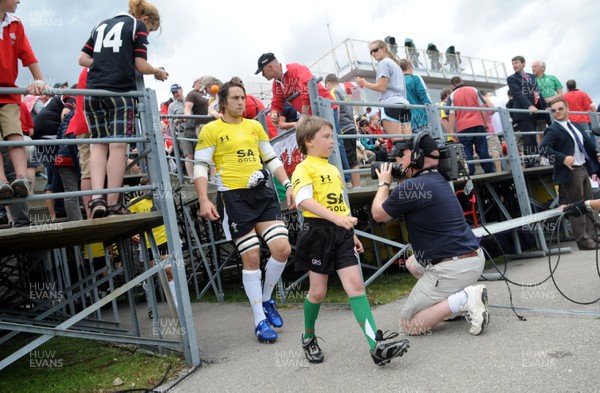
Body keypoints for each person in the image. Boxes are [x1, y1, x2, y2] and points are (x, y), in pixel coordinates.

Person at [292, 115, 409, 365]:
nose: (332, 141)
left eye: (331, 136)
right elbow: (303, 201)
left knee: (356, 287)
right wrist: (336, 219)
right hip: (318, 233)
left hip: (341, 231)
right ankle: (308, 337)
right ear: (308, 141)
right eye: (326, 137)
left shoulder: (333, 169)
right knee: (318, 292)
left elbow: (339, 204)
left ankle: (375, 346)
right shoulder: (304, 168)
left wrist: (350, 231)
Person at [193, 79, 295, 343]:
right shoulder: (211, 130)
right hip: (234, 199)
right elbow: (201, 167)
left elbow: (271, 158)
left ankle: (267, 298)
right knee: (250, 257)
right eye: (235, 98)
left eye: (243, 97)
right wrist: (204, 199)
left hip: (263, 194)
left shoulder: (255, 126)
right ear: (223, 102)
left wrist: (288, 184)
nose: (241, 102)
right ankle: (259, 320)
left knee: (282, 249)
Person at [371, 132, 490, 336]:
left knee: (410, 326)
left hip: (452, 268)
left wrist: (384, 183)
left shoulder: (412, 186)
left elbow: (378, 214)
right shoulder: (437, 179)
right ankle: (454, 303)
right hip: (472, 259)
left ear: (416, 156)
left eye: (403, 154)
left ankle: (463, 299)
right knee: (412, 263)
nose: (399, 160)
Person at [78, 0, 168, 218]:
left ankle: (97, 199)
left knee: (97, 146)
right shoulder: (137, 27)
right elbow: (140, 65)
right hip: (120, 93)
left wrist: (105, 63)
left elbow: (82, 59)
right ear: (146, 20)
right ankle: (113, 204)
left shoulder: (101, 25)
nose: (149, 32)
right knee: (118, 147)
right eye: (151, 29)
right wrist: (158, 71)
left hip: (93, 93)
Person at [256, 52, 352, 184]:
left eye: (262, 71)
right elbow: (276, 103)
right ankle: (330, 177)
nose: (262, 75)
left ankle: (345, 179)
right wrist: (274, 113)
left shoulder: (295, 69)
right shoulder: (277, 84)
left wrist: (304, 115)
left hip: (325, 108)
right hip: (312, 114)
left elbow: (306, 87)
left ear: (270, 67)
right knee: (318, 144)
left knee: (333, 141)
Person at [540, 98, 600, 250]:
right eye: (554, 110)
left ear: (567, 108)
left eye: (560, 108)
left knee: (588, 204)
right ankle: (583, 240)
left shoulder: (574, 125)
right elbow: (543, 149)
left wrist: (596, 155)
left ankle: (592, 236)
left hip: (584, 168)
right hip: (570, 171)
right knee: (576, 206)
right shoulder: (552, 129)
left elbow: (587, 144)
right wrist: (563, 159)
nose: (557, 112)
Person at [0, 0, 46, 199]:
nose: (19, 1)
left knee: (14, 134)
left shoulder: (15, 24)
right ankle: (1, 181)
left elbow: (28, 55)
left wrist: (40, 80)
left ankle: (21, 178)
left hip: (8, 91)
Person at [355, 39, 411, 155]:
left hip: (390, 104)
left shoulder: (383, 63)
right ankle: (413, 172)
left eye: (375, 50)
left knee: (400, 147)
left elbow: (381, 87)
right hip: (403, 104)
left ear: (384, 49)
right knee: (408, 146)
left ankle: (406, 172)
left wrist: (364, 83)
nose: (373, 54)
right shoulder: (395, 65)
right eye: (371, 52)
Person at [446, 77, 495, 175]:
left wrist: (451, 132)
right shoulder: (474, 90)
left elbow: (451, 114)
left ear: (452, 86)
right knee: (482, 149)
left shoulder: (452, 95)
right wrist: (486, 123)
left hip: (463, 127)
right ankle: (489, 170)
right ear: (462, 82)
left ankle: (470, 173)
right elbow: (483, 108)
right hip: (478, 124)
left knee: (467, 151)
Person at [507, 56, 546, 168]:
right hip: (523, 112)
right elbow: (518, 94)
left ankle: (534, 161)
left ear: (523, 63)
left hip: (534, 111)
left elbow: (538, 92)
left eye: (516, 63)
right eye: (513, 64)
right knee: (528, 138)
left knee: (532, 137)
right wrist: (529, 106)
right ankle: (532, 162)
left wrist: (545, 106)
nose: (514, 65)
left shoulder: (531, 77)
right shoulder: (512, 79)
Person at [324, 74, 361, 189]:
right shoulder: (343, 92)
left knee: (350, 159)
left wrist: (334, 128)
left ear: (328, 83)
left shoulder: (334, 92)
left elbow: (336, 109)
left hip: (344, 128)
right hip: (351, 127)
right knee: (353, 158)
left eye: (326, 87)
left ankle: (356, 186)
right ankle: (357, 185)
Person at [182, 76, 209, 180]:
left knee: (209, 152)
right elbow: (188, 107)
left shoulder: (207, 93)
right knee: (193, 154)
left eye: (202, 82)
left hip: (212, 124)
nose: (200, 84)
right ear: (194, 84)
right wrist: (186, 115)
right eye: (198, 82)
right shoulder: (192, 93)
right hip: (199, 126)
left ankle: (210, 176)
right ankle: (194, 177)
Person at [399, 59, 432, 133]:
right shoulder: (415, 78)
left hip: (406, 122)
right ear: (409, 67)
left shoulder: (398, 82)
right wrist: (432, 111)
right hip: (421, 119)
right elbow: (423, 96)